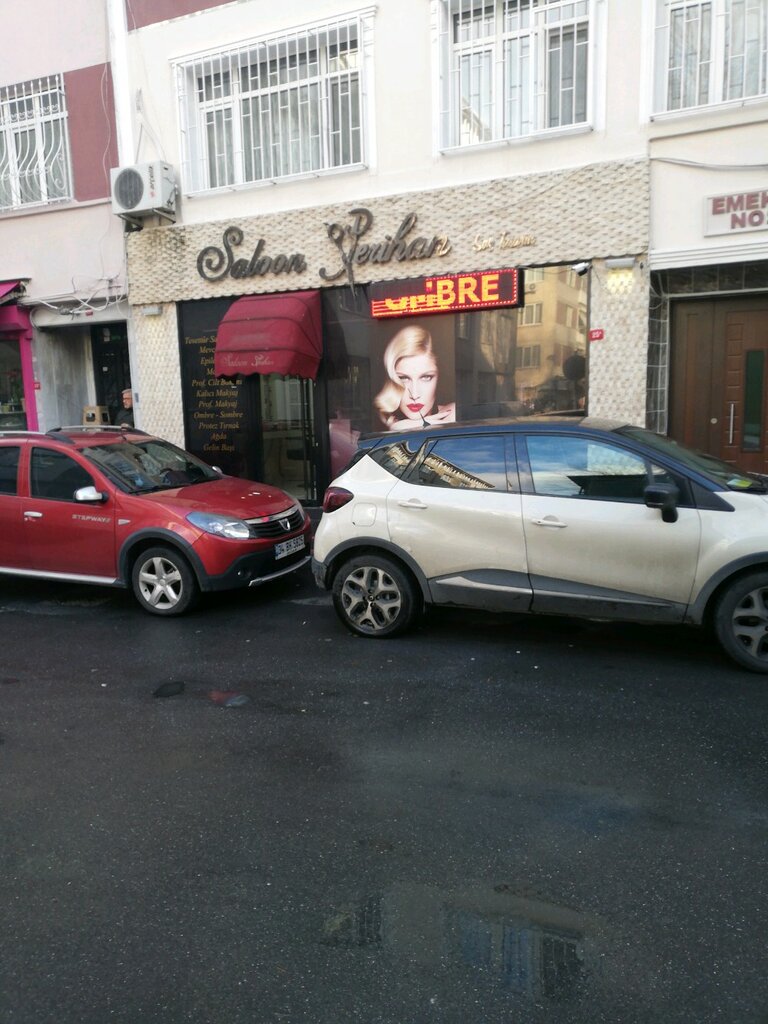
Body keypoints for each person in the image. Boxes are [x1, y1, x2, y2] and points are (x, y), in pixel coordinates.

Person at [374, 325, 455, 430]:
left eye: (426, 377)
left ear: (439, 378)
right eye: (404, 378)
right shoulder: (380, 425)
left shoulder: (451, 415)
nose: (415, 394)